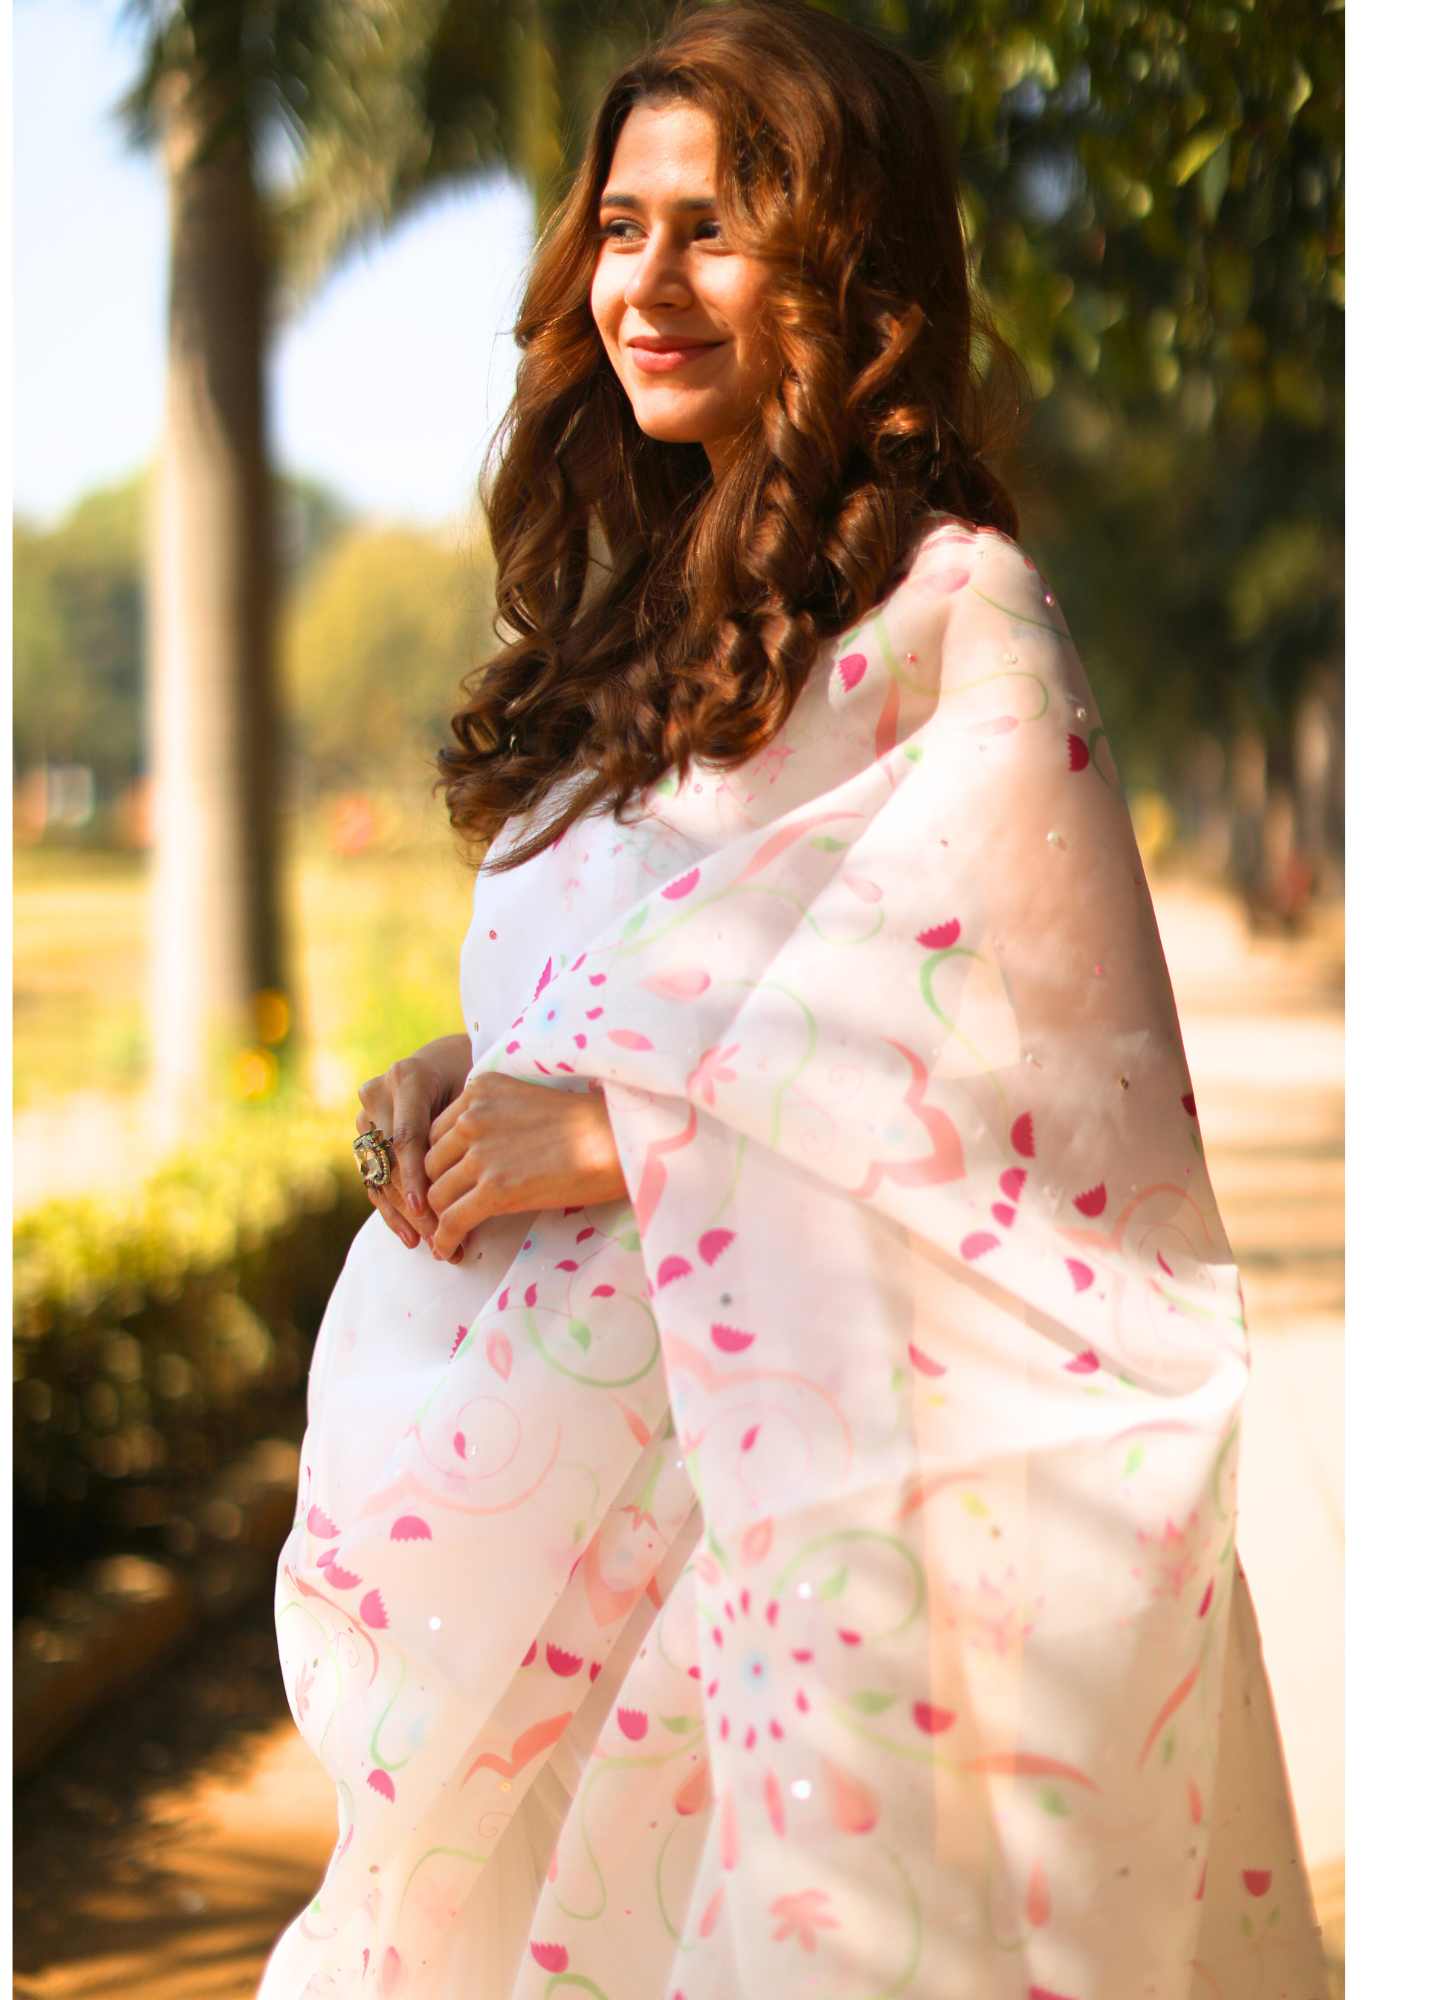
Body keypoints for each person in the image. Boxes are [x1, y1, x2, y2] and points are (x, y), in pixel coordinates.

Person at [259, 6, 1327, 1996]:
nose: (646, 284)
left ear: (851, 270)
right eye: (621, 227)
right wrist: (470, 1076)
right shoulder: (624, 618)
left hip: (799, 1519)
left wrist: (617, 1138)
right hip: (543, 1533)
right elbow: (649, 978)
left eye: (718, 231)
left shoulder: (954, 615)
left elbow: (1057, 1093)